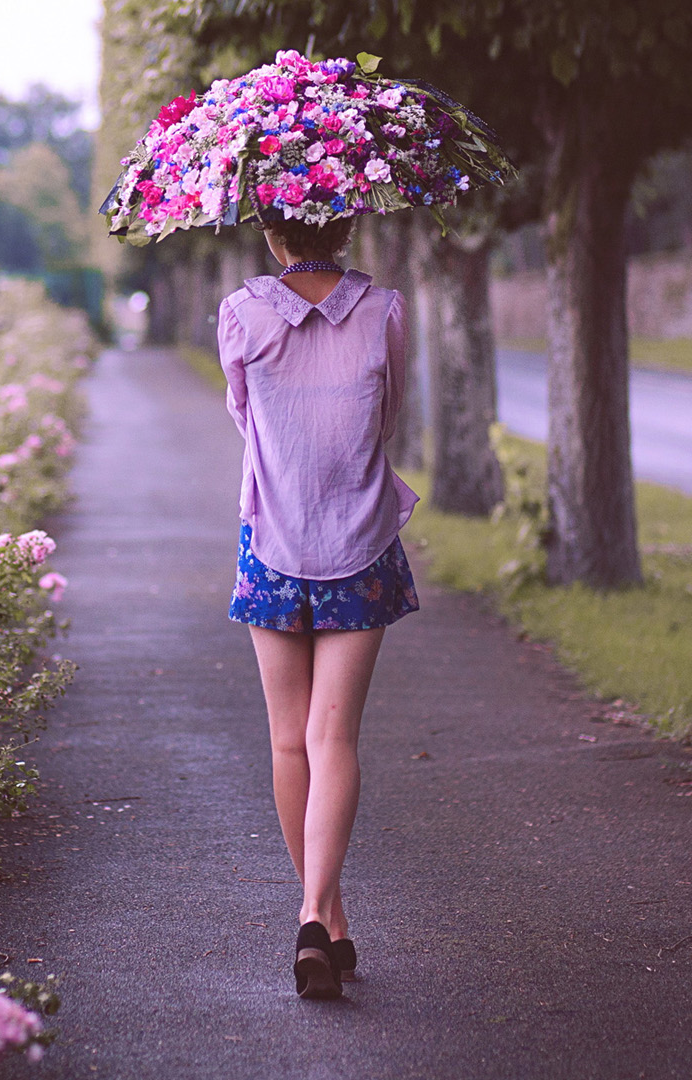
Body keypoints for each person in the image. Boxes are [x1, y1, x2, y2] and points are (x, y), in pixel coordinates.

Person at [216, 212, 421, 1000]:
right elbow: (390, 413)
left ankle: (322, 918)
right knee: (334, 736)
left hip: (272, 538)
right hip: (359, 542)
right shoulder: (384, 311)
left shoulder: (242, 314)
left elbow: (243, 416)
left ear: (271, 230)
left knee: (288, 741)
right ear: (348, 224)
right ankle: (320, 918)